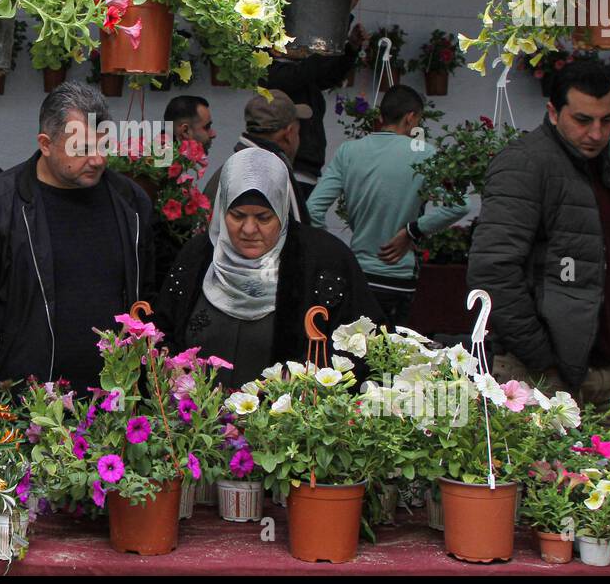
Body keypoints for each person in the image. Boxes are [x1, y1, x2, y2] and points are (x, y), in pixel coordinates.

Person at [467, 60, 610, 420]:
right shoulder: (524, 164)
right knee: (539, 477)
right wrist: (543, 357)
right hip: (541, 375)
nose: (596, 133)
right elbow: (493, 270)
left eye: (607, 120)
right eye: (582, 120)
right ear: (553, 112)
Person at [0, 82, 153, 402]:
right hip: (18, 412)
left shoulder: (131, 204)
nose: (99, 159)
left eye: (104, 145)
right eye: (83, 148)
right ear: (45, 144)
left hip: (114, 415)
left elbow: (147, 300)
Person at [153, 148, 384, 388]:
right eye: (237, 215)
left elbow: (362, 345)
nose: (249, 229)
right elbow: (162, 330)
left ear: (282, 210)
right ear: (222, 210)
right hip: (200, 420)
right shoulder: (198, 256)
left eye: (264, 218)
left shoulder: (325, 262)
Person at [306, 84, 470, 327]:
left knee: (351, 354)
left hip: (358, 274)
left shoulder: (349, 152)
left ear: (381, 116)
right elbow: (459, 205)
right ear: (411, 117)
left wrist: (333, 255)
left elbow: (313, 208)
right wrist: (411, 231)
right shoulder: (425, 153)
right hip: (398, 275)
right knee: (392, 355)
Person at [265, 25, 367, 204]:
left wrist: (351, 48)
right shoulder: (272, 72)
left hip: (305, 171)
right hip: (287, 170)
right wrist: (334, 27)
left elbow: (329, 75)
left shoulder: (301, 72)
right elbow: (310, 70)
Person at [204, 90, 310, 225]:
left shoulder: (230, 169)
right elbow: (297, 237)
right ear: (288, 134)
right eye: (297, 132)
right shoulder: (273, 174)